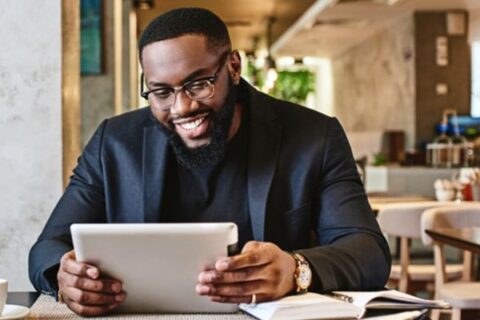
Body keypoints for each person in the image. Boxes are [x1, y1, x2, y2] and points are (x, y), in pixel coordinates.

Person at [29, 7, 391, 317]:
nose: (182, 107)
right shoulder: (114, 142)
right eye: (161, 92)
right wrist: (65, 277)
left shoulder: (314, 136)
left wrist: (296, 270)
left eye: (198, 83)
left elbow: (368, 251)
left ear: (233, 66)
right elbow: (46, 249)